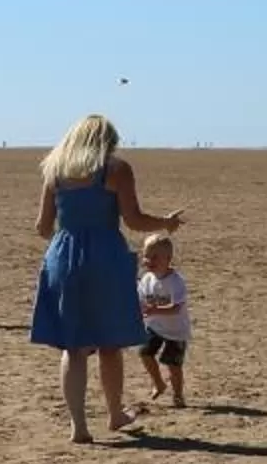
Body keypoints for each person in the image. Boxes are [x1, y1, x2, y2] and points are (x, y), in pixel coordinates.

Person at [31, 114, 183, 442]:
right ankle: (114, 414)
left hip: (64, 256)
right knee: (109, 344)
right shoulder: (115, 169)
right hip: (105, 257)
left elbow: (43, 227)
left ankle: (79, 427)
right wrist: (165, 223)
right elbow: (134, 219)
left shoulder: (55, 170)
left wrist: (69, 236)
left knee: (73, 347)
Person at [136, 234, 192, 408]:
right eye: (146, 256)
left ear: (168, 259)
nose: (149, 260)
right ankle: (158, 383)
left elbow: (176, 308)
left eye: (155, 257)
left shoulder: (176, 281)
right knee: (145, 353)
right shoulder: (146, 279)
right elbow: (139, 302)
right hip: (155, 327)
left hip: (176, 331)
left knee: (173, 364)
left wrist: (154, 310)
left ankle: (178, 394)